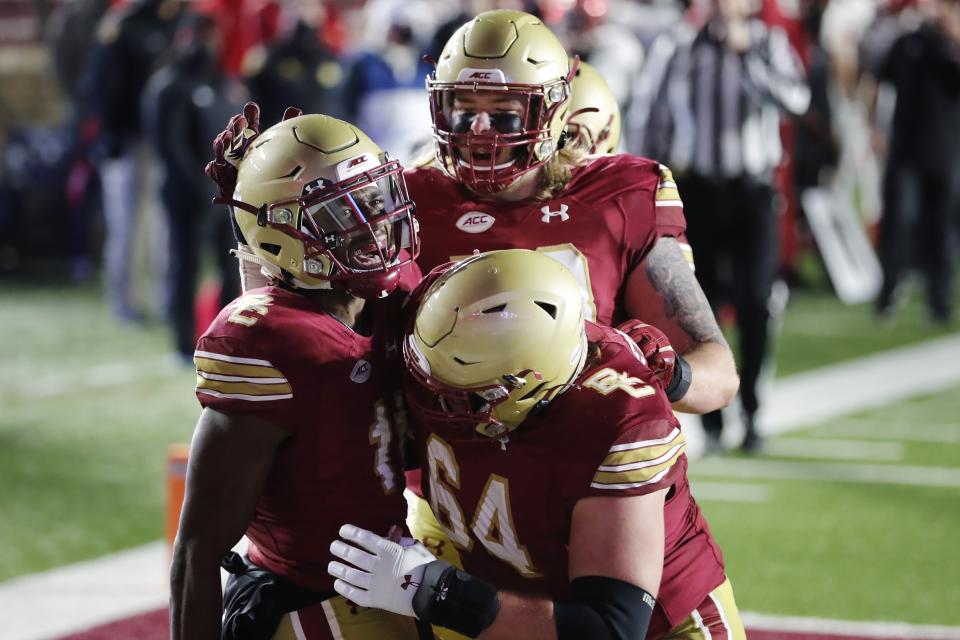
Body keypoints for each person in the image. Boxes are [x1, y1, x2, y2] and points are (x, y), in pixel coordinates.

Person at [328, 249, 747, 640]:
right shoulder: (443, 331)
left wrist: (439, 592)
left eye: (459, 394)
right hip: (516, 605)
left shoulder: (617, 422)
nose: (431, 400)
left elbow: (610, 626)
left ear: (526, 388)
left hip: (656, 625)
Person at [169, 105, 423, 640]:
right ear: (285, 233)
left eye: (374, 201)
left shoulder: (389, 297)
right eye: (342, 215)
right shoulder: (267, 343)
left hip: (399, 566)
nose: (373, 227)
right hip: (314, 606)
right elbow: (197, 547)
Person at [408, 9, 738, 417]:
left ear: (552, 111)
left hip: (586, 455)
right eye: (463, 108)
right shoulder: (411, 200)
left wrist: (669, 376)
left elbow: (719, 375)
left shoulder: (618, 197)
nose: (478, 128)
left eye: (503, 112)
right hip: (452, 465)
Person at [637, 0, 810, 452]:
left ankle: (752, 410)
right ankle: (713, 421)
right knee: (698, 309)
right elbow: (650, 118)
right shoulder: (675, 48)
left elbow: (795, 101)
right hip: (697, 193)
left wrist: (746, 55)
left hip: (752, 192)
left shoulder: (767, 45)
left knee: (756, 300)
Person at [142, 12, 245, 361]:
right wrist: (202, 186)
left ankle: (232, 339)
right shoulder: (168, 86)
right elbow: (170, 147)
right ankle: (183, 343)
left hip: (225, 198)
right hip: (187, 197)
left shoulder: (225, 84)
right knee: (183, 268)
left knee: (232, 269)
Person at [870, 0, 960, 325]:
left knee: (941, 230)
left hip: (945, 151)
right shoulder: (907, 41)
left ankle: (939, 303)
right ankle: (888, 295)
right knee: (899, 222)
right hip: (906, 149)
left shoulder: (949, 44)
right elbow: (879, 82)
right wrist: (874, 127)